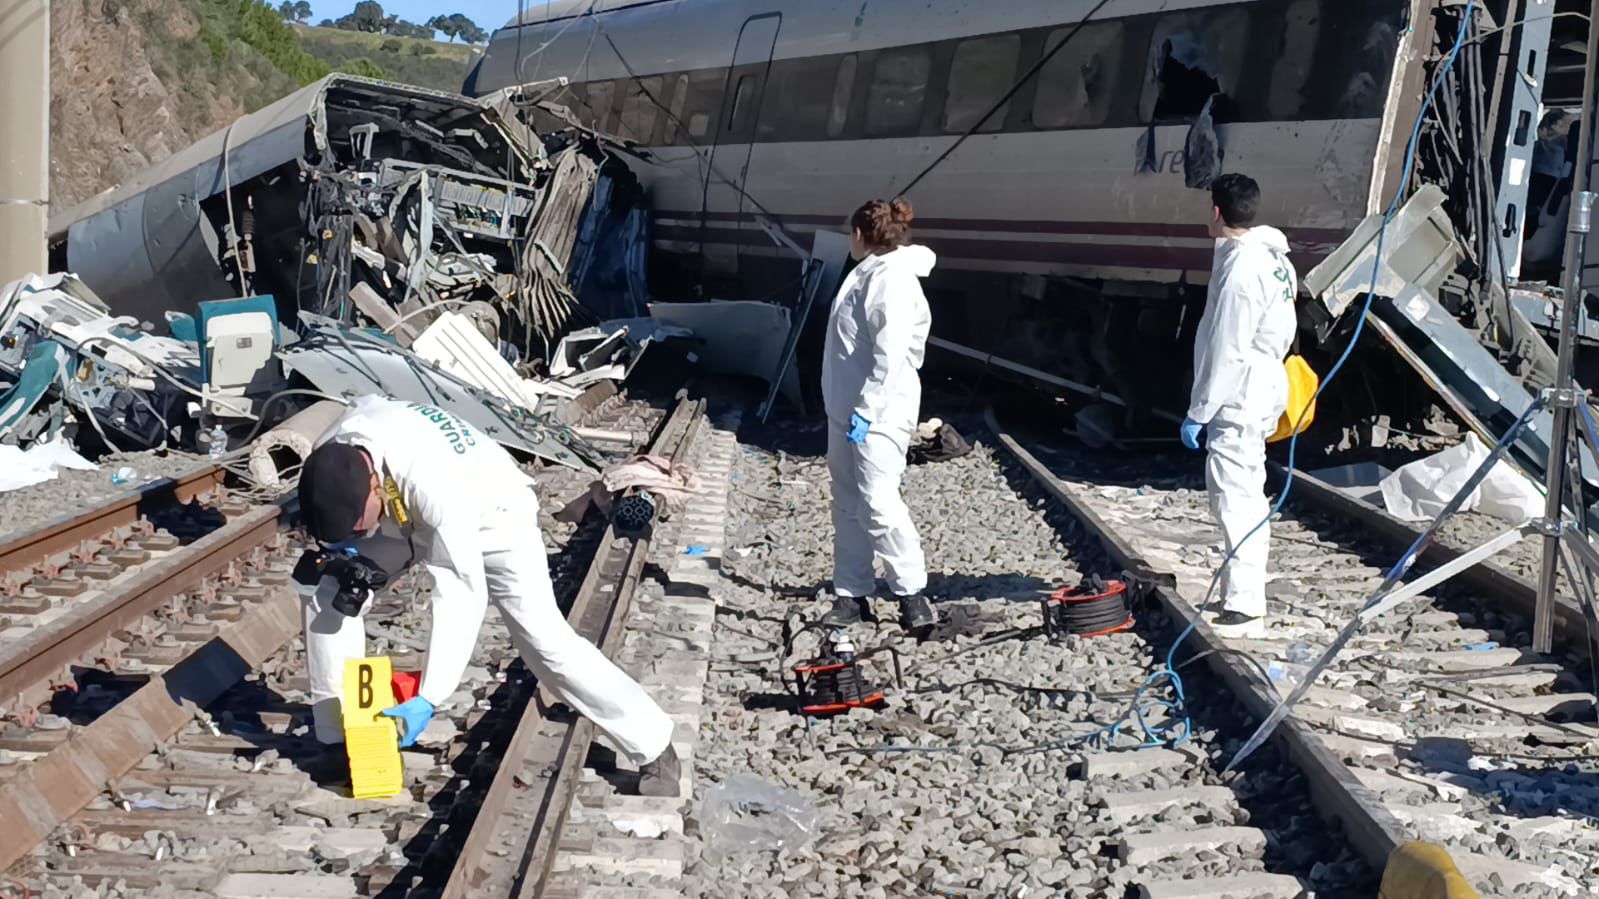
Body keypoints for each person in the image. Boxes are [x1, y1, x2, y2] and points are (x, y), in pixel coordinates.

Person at [294, 396, 680, 796]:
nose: (359, 535)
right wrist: (339, 554)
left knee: (545, 642)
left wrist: (430, 696)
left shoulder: (430, 483)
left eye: (359, 527)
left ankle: (654, 744)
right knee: (330, 591)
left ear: (376, 485)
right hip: (405, 512)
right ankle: (337, 739)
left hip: (493, 512)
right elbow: (340, 519)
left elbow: (461, 592)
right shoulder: (333, 452)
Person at [1179, 173, 1298, 638]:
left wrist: (1199, 411)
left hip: (1241, 390)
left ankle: (1244, 604)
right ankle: (1242, 594)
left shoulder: (1242, 269)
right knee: (1246, 489)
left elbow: (1227, 346)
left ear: (1215, 211)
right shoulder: (1273, 258)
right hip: (1263, 381)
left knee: (1234, 496)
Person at [817, 197, 937, 636]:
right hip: (847, 410)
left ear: (858, 234)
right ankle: (851, 593)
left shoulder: (891, 280)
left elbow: (890, 356)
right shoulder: (870, 273)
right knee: (848, 503)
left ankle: (912, 594)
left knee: (880, 502)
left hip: (878, 414)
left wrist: (867, 411)